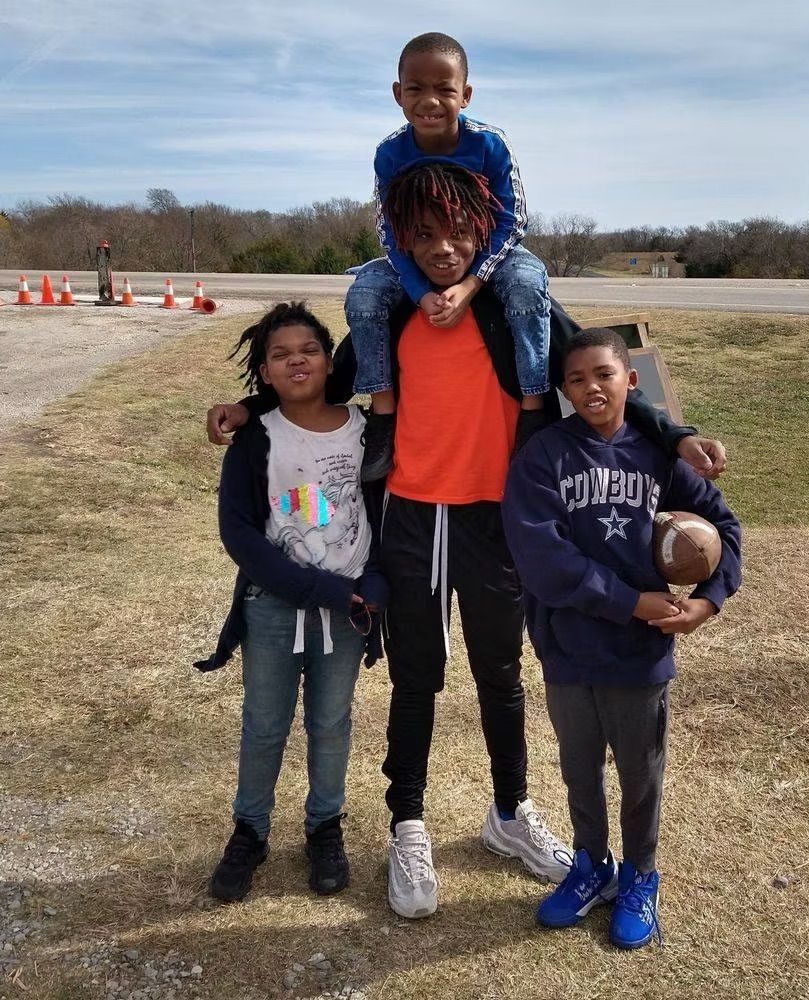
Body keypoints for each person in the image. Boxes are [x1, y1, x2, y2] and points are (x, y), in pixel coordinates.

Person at [205, 162, 728, 921]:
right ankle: (406, 824)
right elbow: (322, 382)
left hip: (496, 514)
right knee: (417, 677)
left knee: (500, 673)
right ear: (400, 242)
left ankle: (509, 812)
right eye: (424, 235)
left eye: (458, 232)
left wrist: (674, 434)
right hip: (413, 515)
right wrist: (250, 407)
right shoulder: (388, 315)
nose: (443, 248)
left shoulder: (519, 308)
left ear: (484, 232)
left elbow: (599, 371)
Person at [501, 328, 741, 949]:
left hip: (641, 656)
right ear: (563, 389)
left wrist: (709, 601)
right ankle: (590, 865)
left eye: (604, 375)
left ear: (629, 381)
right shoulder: (544, 454)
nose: (591, 388)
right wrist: (631, 601)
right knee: (580, 769)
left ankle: (640, 873)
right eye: (576, 379)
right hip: (569, 648)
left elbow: (723, 526)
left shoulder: (660, 456)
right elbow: (541, 557)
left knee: (640, 774)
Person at [195, 302, 388, 903]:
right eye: (279, 355)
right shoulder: (255, 437)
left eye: (307, 350)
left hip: (350, 607)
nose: (295, 360)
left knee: (331, 725)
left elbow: (385, 512)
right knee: (264, 726)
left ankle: (324, 828)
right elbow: (240, 534)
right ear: (264, 372)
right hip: (275, 608)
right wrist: (317, 589)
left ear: (330, 362)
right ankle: (249, 832)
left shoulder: (365, 429)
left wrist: (373, 582)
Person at [347, 31, 551, 481]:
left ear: (466, 94)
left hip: (487, 253)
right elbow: (389, 234)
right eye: (416, 89)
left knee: (525, 284)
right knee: (362, 295)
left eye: (445, 88)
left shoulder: (490, 144)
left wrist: (471, 283)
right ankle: (382, 414)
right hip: (416, 254)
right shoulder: (389, 153)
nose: (430, 100)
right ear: (398, 93)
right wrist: (420, 293)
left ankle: (534, 409)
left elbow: (513, 222)